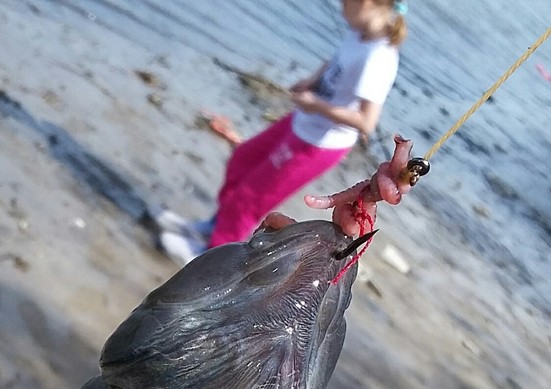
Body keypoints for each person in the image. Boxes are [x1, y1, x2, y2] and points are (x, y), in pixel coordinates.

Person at [157, 0, 406, 265]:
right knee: (242, 161)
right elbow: (336, 63)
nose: (340, 5)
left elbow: (366, 122)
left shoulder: (379, 57)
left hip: (319, 143)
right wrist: (312, 81)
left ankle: (210, 258)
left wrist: (317, 105)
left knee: (251, 197)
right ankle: (213, 227)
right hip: (300, 122)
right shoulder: (360, 32)